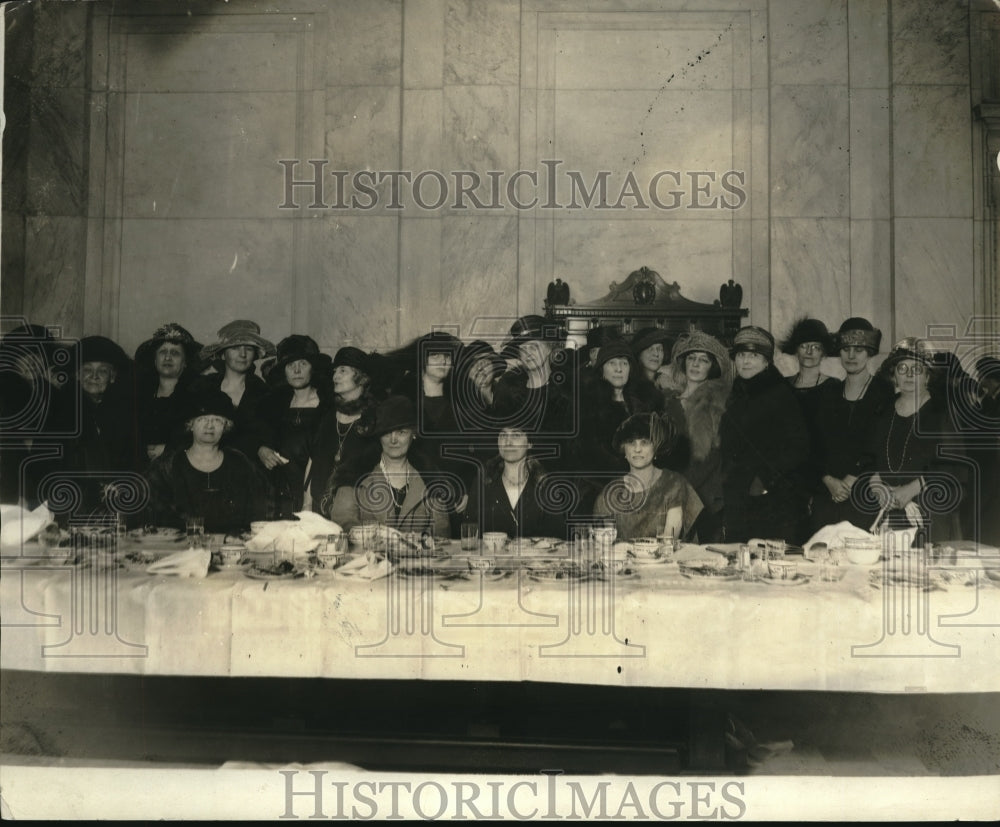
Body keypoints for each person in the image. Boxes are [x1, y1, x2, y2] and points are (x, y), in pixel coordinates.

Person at [861, 338, 965, 543]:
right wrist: (875, 484)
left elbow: (956, 467)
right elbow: (867, 457)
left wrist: (914, 488)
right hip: (886, 509)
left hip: (929, 514)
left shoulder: (942, 412)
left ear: (928, 376)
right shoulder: (882, 410)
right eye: (902, 368)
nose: (909, 375)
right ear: (893, 376)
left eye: (917, 369)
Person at [719, 326, 810, 543]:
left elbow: (799, 448)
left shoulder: (780, 394)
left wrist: (763, 482)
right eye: (741, 355)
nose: (746, 361)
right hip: (739, 497)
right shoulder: (737, 392)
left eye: (754, 355)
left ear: (766, 361)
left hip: (772, 501)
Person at [144, 389, 269, 533]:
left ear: (226, 426)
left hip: (232, 548)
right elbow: (155, 514)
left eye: (217, 420)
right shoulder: (168, 466)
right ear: (190, 424)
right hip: (181, 548)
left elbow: (260, 508)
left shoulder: (240, 463)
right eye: (202, 419)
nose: (209, 426)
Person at [810, 318, 894, 533]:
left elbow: (883, 443)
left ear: (870, 352)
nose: (851, 355)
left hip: (864, 494)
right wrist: (827, 479)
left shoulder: (883, 391)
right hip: (828, 493)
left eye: (859, 349)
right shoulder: (828, 392)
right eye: (846, 349)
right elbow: (814, 443)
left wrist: (853, 479)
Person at [328, 395, 453, 538]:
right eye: (387, 432)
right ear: (378, 436)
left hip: (417, 559)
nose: (393, 440)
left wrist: (412, 543)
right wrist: (376, 538)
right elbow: (342, 526)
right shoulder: (354, 477)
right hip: (369, 559)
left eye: (401, 432)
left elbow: (441, 533)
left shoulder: (430, 481)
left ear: (413, 434)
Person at [659, 330, 733, 542]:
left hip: (709, 495)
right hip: (671, 494)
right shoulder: (668, 403)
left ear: (713, 367)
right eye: (691, 358)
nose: (696, 364)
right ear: (683, 362)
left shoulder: (720, 403)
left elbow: (718, 454)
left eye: (704, 360)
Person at [250, 335, 334, 517]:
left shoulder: (328, 406)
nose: (296, 370)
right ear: (284, 371)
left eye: (302, 364)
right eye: (290, 365)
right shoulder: (272, 406)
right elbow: (255, 436)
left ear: (313, 367)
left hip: (316, 490)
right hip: (278, 492)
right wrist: (261, 449)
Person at [593, 412, 703, 541]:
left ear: (656, 449)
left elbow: (669, 542)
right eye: (631, 442)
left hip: (663, 559)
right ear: (623, 449)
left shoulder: (673, 483)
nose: (637, 449)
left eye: (644, 442)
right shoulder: (611, 493)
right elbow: (607, 545)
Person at [61, 335, 138, 517]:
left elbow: (134, 460)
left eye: (102, 371)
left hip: (119, 502)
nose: (94, 376)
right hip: (74, 504)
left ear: (113, 377)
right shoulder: (62, 411)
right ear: (77, 376)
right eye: (87, 370)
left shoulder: (125, 413)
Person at [492, 315, 576, 470]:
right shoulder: (508, 393)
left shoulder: (568, 394)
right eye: (522, 349)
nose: (527, 353)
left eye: (533, 346)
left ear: (549, 347)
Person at [576, 340, 665, 479]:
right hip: (604, 486)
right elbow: (586, 457)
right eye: (612, 363)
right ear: (601, 370)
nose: (619, 369)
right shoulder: (588, 408)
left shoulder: (647, 404)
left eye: (624, 363)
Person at [463, 426, 567, 539]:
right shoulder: (483, 483)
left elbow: (559, 539)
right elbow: (469, 535)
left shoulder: (545, 486)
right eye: (503, 435)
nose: (508, 442)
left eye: (516, 435)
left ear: (530, 443)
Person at [314, 346, 382, 515]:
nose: (335, 376)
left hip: (357, 508)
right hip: (320, 507)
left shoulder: (375, 417)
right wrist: (307, 504)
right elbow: (314, 461)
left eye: (343, 371)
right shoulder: (328, 416)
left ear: (361, 377)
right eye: (335, 371)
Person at [193, 319, 275, 459]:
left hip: (247, 468)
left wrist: (259, 447)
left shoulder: (264, 392)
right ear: (223, 354)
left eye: (248, 349)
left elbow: (266, 437)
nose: (242, 354)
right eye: (235, 348)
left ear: (255, 354)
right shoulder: (203, 387)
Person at [779, 317, 837, 502]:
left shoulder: (834, 387)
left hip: (821, 475)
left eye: (816, 347)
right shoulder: (783, 386)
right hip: (788, 474)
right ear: (796, 349)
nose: (810, 352)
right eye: (804, 346)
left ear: (823, 352)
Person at [133, 323, 203, 465]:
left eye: (175, 353)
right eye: (163, 352)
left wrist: (170, 449)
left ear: (185, 363)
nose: (168, 357)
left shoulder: (197, 397)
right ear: (155, 360)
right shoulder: (139, 396)